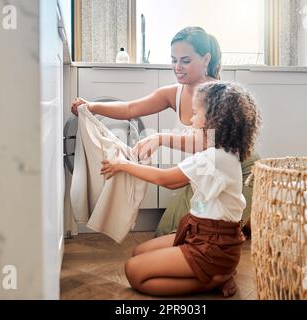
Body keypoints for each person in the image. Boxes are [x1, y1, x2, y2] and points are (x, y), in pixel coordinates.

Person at [71, 26, 259, 237]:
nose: (177, 67)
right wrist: (91, 107)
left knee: (213, 229)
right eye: (173, 60)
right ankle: (247, 222)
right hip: (202, 174)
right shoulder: (173, 93)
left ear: (206, 59)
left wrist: (160, 138)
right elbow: (130, 108)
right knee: (166, 233)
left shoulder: (218, 97)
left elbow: (205, 143)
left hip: (239, 174)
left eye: (185, 61)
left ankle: (249, 219)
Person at [100, 81, 261, 297]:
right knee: (139, 252)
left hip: (213, 245)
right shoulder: (223, 151)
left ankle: (214, 279)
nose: (191, 119)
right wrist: (158, 140)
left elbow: (167, 180)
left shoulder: (214, 157)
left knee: (134, 272)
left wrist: (123, 165)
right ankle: (215, 272)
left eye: (196, 114)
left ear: (215, 121)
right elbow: (184, 156)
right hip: (202, 231)